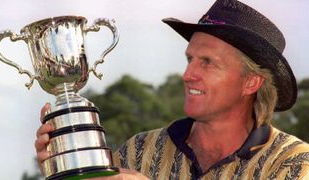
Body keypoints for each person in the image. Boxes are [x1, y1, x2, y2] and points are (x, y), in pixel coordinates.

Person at [35, 0, 309, 179]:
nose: (188, 75)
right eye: (190, 59)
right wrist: (63, 164)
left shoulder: (292, 163)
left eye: (207, 63)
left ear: (251, 82)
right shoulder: (138, 151)